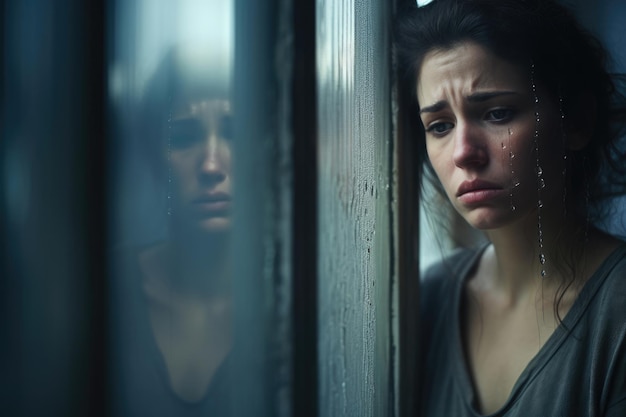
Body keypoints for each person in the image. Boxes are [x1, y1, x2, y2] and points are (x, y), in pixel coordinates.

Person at [396, 0, 626, 415]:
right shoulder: (428, 299)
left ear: (577, 122)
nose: (464, 153)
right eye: (440, 126)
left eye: (497, 113)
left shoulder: (617, 312)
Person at [111, 47, 233, 416]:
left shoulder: (297, 305)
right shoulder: (105, 290)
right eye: (183, 137)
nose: (211, 164)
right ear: (151, 153)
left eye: (234, 132)